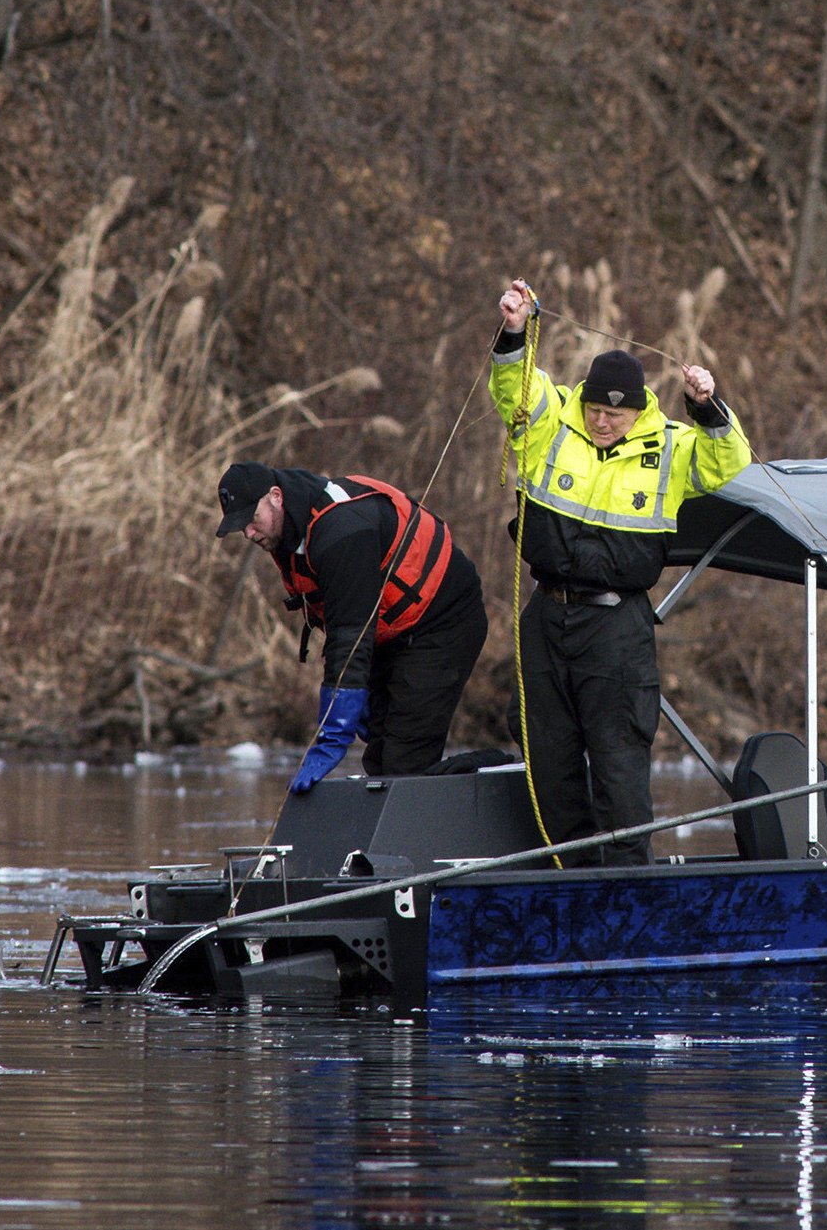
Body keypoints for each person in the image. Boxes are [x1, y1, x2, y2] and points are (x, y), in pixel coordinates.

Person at [491, 279, 753, 865]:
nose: (603, 421)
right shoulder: (552, 422)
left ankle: (627, 888)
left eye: (615, 413)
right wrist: (514, 331)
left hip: (617, 628)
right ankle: (570, 881)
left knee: (618, 766)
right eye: (596, 408)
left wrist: (708, 405)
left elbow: (728, 462)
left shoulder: (671, 444)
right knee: (547, 762)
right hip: (546, 616)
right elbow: (514, 389)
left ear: (636, 411)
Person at [217, 461, 488, 792]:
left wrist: (333, 733)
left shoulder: (342, 529)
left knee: (405, 762)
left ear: (276, 497)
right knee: (380, 758)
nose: (248, 533)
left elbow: (350, 634)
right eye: (241, 527)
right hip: (390, 633)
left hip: (443, 620)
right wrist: (354, 690)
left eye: (252, 520)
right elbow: (340, 620)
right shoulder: (289, 534)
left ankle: (491, 774)